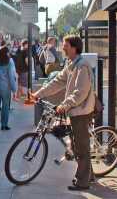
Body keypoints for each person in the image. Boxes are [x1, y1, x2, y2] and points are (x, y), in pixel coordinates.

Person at [33, 35, 95, 191]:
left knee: (81, 147)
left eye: (65, 45)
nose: (63, 48)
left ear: (74, 48)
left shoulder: (82, 66)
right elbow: (57, 82)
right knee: (76, 145)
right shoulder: (71, 64)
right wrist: (38, 94)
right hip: (74, 110)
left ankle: (83, 182)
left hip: (80, 112)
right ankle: (89, 174)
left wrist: (64, 105)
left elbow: (80, 93)